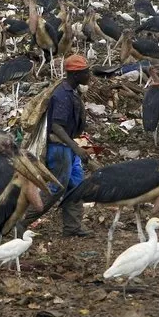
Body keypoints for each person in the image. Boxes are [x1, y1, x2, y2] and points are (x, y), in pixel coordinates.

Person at [21, 54, 92, 237]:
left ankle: (72, 227)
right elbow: (56, 126)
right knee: (54, 190)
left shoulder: (71, 91)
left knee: (76, 185)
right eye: (86, 72)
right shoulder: (62, 95)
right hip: (59, 148)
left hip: (67, 146)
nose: (89, 75)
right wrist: (76, 148)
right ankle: (20, 222)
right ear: (76, 74)